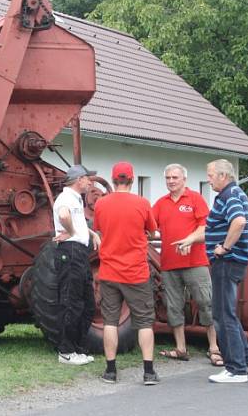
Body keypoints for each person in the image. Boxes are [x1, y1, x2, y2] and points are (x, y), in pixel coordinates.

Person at [93, 161, 160, 386]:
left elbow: (100, 228)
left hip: (109, 271)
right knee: (144, 323)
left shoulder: (101, 204)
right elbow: (152, 229)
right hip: (136, 273)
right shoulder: (142, 203)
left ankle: (111, 371)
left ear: (113, 180)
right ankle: (148, 372)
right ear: (131, 180)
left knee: (110, 322)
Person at [152, 164, 221, 366]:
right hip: (170, 264)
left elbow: (205, 226)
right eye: (168, 178)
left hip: (195, 262)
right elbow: (149, 224)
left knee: (206, 302)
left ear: (184, 179)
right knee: (173, 306)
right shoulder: (161, 203)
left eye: (175, 177)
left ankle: (214, 347)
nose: (171, 181)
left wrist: (190, 239)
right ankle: (181, 348)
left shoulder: (195, 199)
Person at [200, 159, 248, 383]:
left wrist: (224, 248)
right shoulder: (234, 193)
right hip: (232, 261)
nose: (209, 179)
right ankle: (247, 359)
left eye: (211, 174)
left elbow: (239, 221)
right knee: (228, 313)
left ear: (223, 176)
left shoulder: (229, 195)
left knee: (223, 315)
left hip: (227, 261)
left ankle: (235, 369)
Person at [52, 164, 100, 365]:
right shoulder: (65, 198)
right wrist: (70, 232)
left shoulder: (75, 199)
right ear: (79, 179)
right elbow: (63, 216)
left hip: (78, 252)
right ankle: (65, 351)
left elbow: (76, 222)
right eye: (88, 179)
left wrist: (91, 233)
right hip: (70, 251)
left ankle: (77, 348)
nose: (90, 182)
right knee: (71, 302)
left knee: (87, 303)